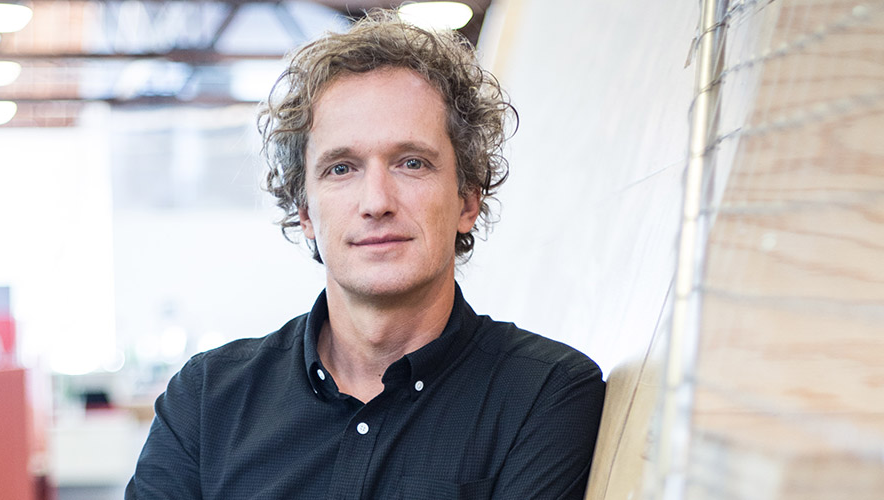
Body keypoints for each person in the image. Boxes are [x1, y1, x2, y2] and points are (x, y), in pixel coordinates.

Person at [126, 10, 604, 500]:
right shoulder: (206, 400)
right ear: (305, 213)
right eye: (341, 168)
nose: (376, 202)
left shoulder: (545, 395)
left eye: (412, 163)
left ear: (467, 201)